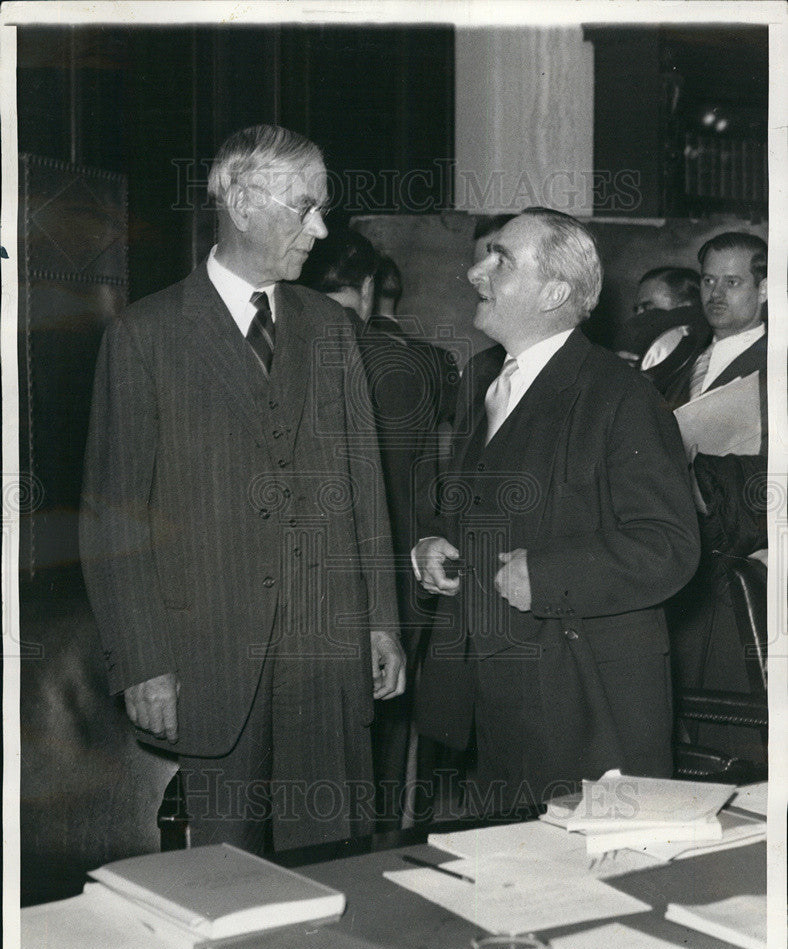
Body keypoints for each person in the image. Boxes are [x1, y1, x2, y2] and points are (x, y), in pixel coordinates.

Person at [79, 125, 405, 854]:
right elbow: (112, 518)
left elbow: (364, 484)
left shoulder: (331, 329)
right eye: (306, 207)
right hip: (209, 665)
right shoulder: (146, 335)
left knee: (337, 870)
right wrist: (143, 662)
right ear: (245, 202)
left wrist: (381, 619)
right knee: (227, 884)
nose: (320, 230)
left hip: (328, 662)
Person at [412, 208, 700, 815]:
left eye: (500, 260)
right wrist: (435, 543)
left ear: (556, 292)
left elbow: (668, 547)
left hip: (584, 703)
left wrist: (544, 575)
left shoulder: (621, 396)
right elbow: (473, 500)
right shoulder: (482, 380)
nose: (474, 272)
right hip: (489, 704)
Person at [301, 227, 446, 827]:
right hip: (390, 587)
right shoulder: (406, 363)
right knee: (382, 759)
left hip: (302, 590)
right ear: (367, 288)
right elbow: (420, 486)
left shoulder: (281, 352)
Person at [663, 233, 768, 750]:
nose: (716, 293)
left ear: (766, 287)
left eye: (733, 281)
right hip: (678, 549)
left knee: (723, 717)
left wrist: (704, 480)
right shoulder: (684, 356)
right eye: (708, 280)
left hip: (734, 555)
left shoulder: (778, 362)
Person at [614, 267, 711, 402]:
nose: (639, 316)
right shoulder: (646, 359)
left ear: (686, 308)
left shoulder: (706, 365)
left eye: (648, 307)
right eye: (637, 309)